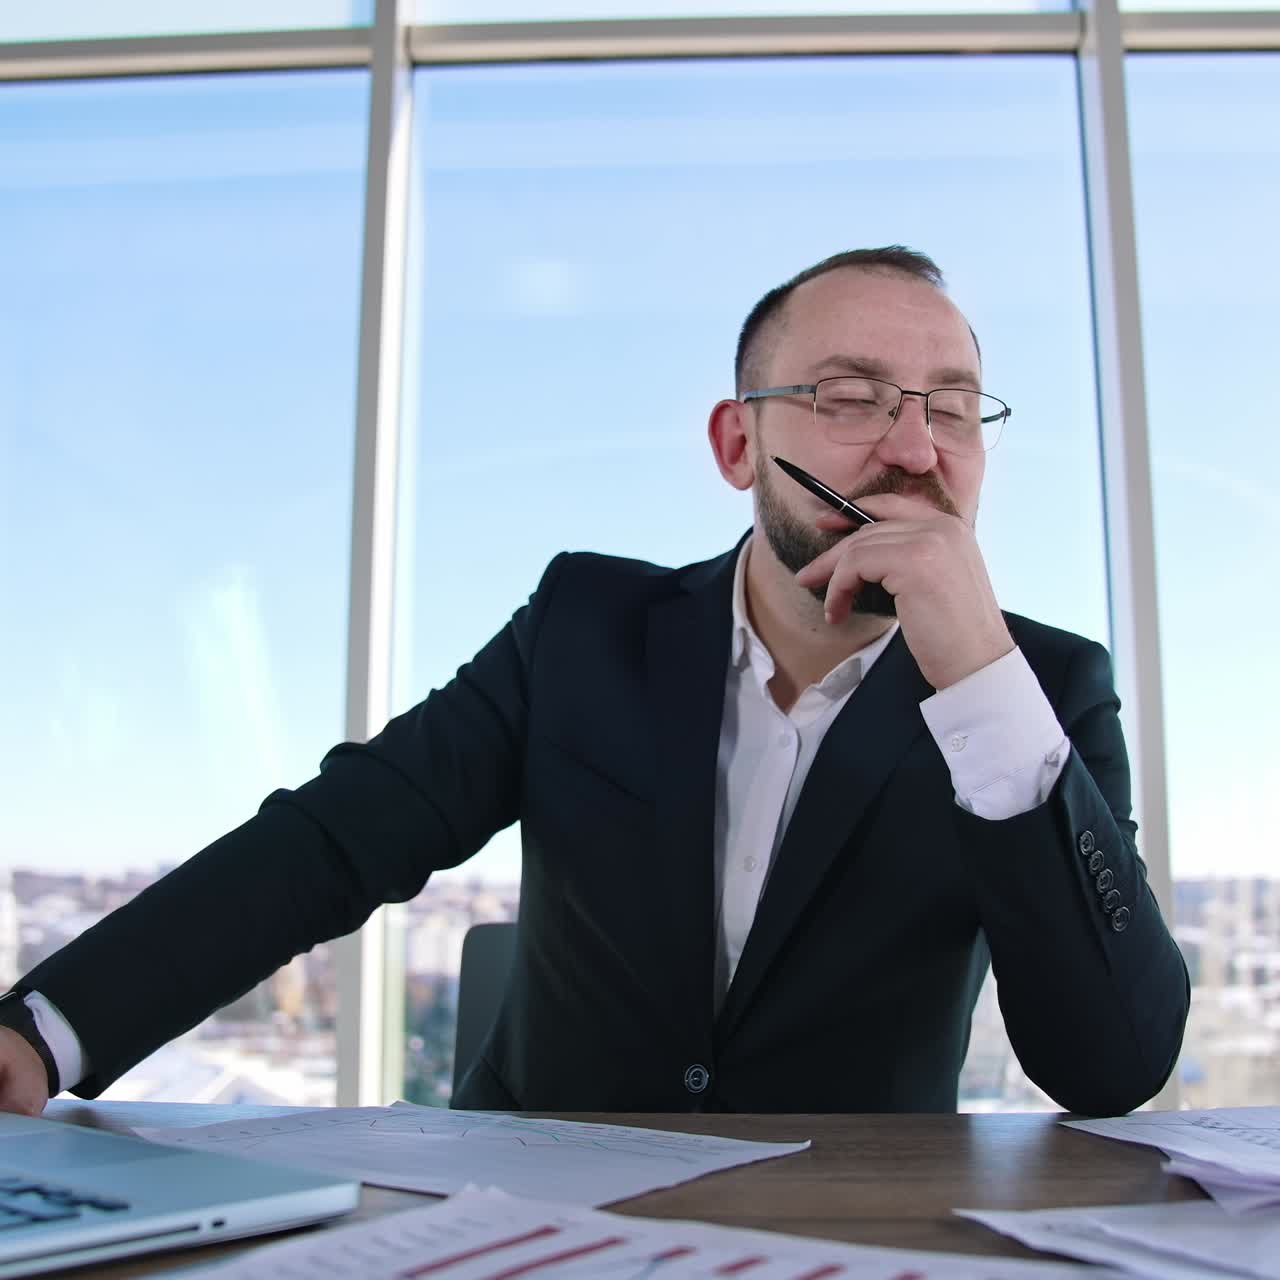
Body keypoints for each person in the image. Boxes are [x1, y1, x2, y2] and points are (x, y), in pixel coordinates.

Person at [0, 246, 1188, 1118]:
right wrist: (45, 1034)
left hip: (849, 1222)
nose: (915, 449)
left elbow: (1110, 1063)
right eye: (847, 398)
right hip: (534, 1209)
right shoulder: (584, 625)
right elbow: (329, 842)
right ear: (736, 446)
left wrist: (976, 680)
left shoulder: (1038, 689)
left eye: (949, 409)